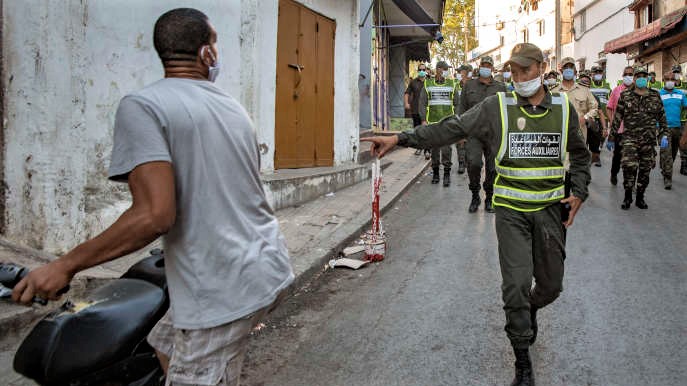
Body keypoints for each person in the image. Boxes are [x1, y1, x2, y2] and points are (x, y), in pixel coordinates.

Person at [12, 8, 294, 386]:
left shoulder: (144, 106)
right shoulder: (233, 108)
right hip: (264, 263)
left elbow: (154, 215)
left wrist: (64, 265)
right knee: (164, 345)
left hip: (222, 286)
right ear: (207, 54)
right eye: (215, 45)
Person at [361, 43, 591, 386]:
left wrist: (579, 191)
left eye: (525, 71)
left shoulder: (562, 109)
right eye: (512, 72)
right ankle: (522, 359)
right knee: (514, 287)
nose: (518, 78)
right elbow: (450, 128)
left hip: (548, 213)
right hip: (511, 212)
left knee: (551, 286)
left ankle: (530, 311)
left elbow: (581, 154)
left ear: (542, 68)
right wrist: (401, 138)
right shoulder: (497, 106)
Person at [609, 64, 668, 210]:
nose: (641, 79)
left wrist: (664, 135)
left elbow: (662, 118)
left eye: (644, 76)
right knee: (629, 167)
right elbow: (617, 117)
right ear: (634, 78)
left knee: (645, 170)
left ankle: (640, 197)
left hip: (648, 140)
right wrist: (611, 137)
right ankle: (628, 196)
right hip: (629, 139)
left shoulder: (655, 96)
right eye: (638, 76)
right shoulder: (626, 95)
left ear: (647, 79)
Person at [459, 56, 506, 213]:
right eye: (484, 65)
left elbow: (506, 112)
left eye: (489, 65)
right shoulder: (469, 86)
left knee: (493, 169)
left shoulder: (501, 87)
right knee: (474, 164)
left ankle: (490, 198)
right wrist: (461, 133)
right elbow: (462, 109)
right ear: (480, 67)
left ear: (492, 68)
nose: (486, 68)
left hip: (494, 135)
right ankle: (474, 195)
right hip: (474, 133)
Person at [419, 60, 460, 186]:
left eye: (446, 69)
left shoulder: (452, 84)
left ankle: (446, 174)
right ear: (437, 69)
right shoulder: (428, 83)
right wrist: (424, 119)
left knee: (447, 150)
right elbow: (422, 103)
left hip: (448, 123)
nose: (443, 71)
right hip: (433, 123)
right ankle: (436, 173)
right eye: (442, 69)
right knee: (435, 150)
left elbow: (457, 103)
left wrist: (456, 119)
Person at [551, 57, 599, 143]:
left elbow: (594, 107)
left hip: (579, 134)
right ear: (561, 71)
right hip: (559, 134)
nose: (568, 69)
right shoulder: (553, 91)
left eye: (571, 67)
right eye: (566, 67)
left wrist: (586, 117)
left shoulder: (584, 89)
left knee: (579, 156)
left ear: (575, 71)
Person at [606, 66, 635, 185]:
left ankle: (630, 182)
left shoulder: (638, 91)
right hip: (619, 129)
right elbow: (609, 108)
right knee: (617, 156)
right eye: (626, 74)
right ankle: (614, 173)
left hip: (634, 130)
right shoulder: (616, 90)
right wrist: (612, 122)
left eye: (631, 74)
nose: (628, 76)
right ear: (623, 76)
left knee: (632, 158)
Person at [658, 71, 687, 189]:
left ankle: (664, 167)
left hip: (677, 128)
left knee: (674, 153)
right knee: (667, 153)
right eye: (667, 79)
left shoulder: (680, 94)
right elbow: (655, 111)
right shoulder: (659, 94)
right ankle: (667, 178)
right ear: (663, 81)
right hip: (664, 129)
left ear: (675, 81)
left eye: (672, 79)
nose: (670, 81)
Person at [581, 70, 608, 167]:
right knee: (581, 149)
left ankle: (595, 159)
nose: (585, 84)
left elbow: (600, 113)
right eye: (583, 82)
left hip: (593, 125)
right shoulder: (573, 96)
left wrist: (605, 128)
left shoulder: (595, 97)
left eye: (587, 82)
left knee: (595, 149)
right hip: (580, 125)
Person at [405, 63, 431, 158]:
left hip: (427, 111)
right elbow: (407, 93)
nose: (422, 71)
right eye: (420, 69)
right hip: (415, 109)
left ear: (426, 70)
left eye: (424, 70)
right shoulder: (413, 82)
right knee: (417, 130)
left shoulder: (430, 81)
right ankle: (419, 148)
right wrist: (406, 103)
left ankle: (427, 150)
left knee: (427, 131)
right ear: (418, 70)